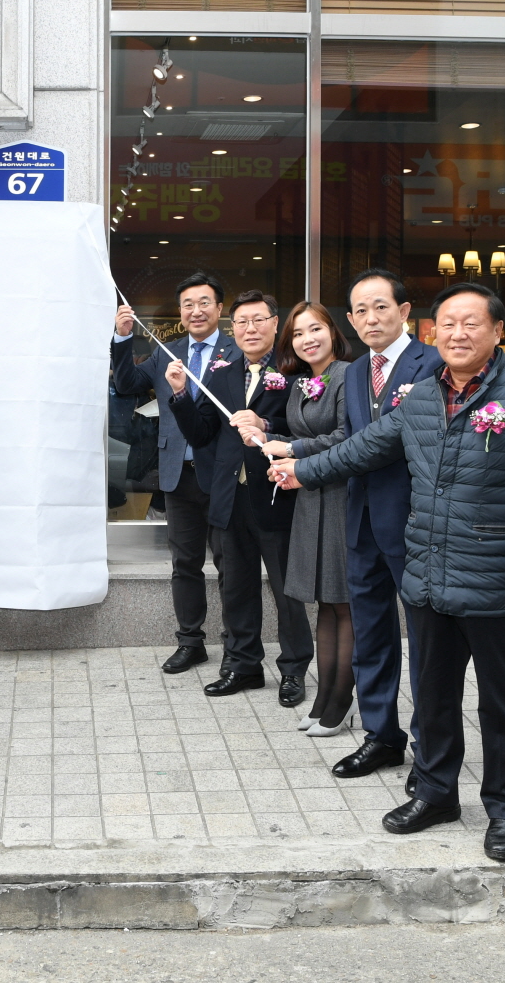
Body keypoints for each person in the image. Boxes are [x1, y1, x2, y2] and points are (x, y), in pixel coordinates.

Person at [277, 281, 505, 862]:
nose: (458, 334)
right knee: (433, 694)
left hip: (496, 577)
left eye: (472, 323)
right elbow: (366, 447)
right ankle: (437, 793)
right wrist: (301, 470)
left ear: (497, 331)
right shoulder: (419, 396)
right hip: (428, 573)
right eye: (448, 324)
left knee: (503, 701)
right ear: (432, 331)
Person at [168, 291, 312, 704]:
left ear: (275, 323)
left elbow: (307, 429)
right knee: (236, 588)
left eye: (258, 320)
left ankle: (293, 670)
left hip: (277, 497)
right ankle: (243, 665)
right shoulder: (223, 374)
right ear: (233, 330)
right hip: (230, 499)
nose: (250, 329)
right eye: (242, 323)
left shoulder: (297, 371)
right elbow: (202, 434)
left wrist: (266, 423)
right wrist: (180, 395)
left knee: (287, 592)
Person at [331, 269, 442, 792]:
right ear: (350, 321)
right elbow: (350, 439)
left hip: (415, 522)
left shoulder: (433, 363)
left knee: (425, 641)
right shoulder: (355, 371)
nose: (370, 318)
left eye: (380, 307)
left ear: (404, 311)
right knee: (371, 633)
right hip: (361, 519)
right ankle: (381, 735)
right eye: (360, 310)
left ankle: (429, 748)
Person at [111, 273, 238, 674]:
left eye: (204, 302)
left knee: (230, 564)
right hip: (176, 473)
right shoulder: (167, 351)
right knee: (185, 563)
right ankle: (190, 642)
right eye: (188, 304)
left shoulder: (237, 351)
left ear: (220, 308)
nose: (196, 311)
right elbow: (127, 383)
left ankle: (236, 646)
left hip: (222, 475)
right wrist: (122, 338)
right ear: (180, 312)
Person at [240, 301, 354, 735]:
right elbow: (298, 433)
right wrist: (266, 434)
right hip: (310, 500)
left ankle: (341, 701)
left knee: (343, 603)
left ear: (333, 331)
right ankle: (325, 698)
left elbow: (347, 436)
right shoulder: (303, 382)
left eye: (315, 329)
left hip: (341, 498)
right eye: (299, 333)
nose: (308, 339)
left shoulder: (348, 375)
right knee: (325, 602)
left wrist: (291, 450)